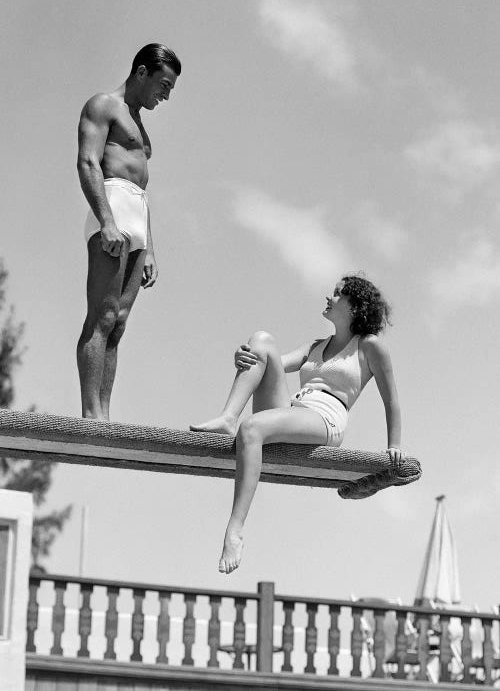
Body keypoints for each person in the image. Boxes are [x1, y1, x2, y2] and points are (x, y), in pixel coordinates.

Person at [190, 275, 402, 574]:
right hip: (293, 409)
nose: (329, 297)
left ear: (355, 307)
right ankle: (228, 417)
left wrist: (394, 445)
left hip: (325, 418)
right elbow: (267, 361)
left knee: (251, 429)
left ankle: (235, 531)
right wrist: (245, 356)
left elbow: (391, 399)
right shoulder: (317, 346)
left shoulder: (369, 347)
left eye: (338, 294)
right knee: (261, 341)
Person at [76, 44, 181, 420]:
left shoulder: (139, 123)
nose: (166, 95)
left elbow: (143, 189)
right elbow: (88, 162)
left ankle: (105, 412)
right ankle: (92, 415)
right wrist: (106, 221)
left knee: (118, 323)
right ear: (141, 73)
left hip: (136, 214)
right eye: (163, 85)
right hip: (112, 207)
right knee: (102, 315)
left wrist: (150, 247)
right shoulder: (104, 105)